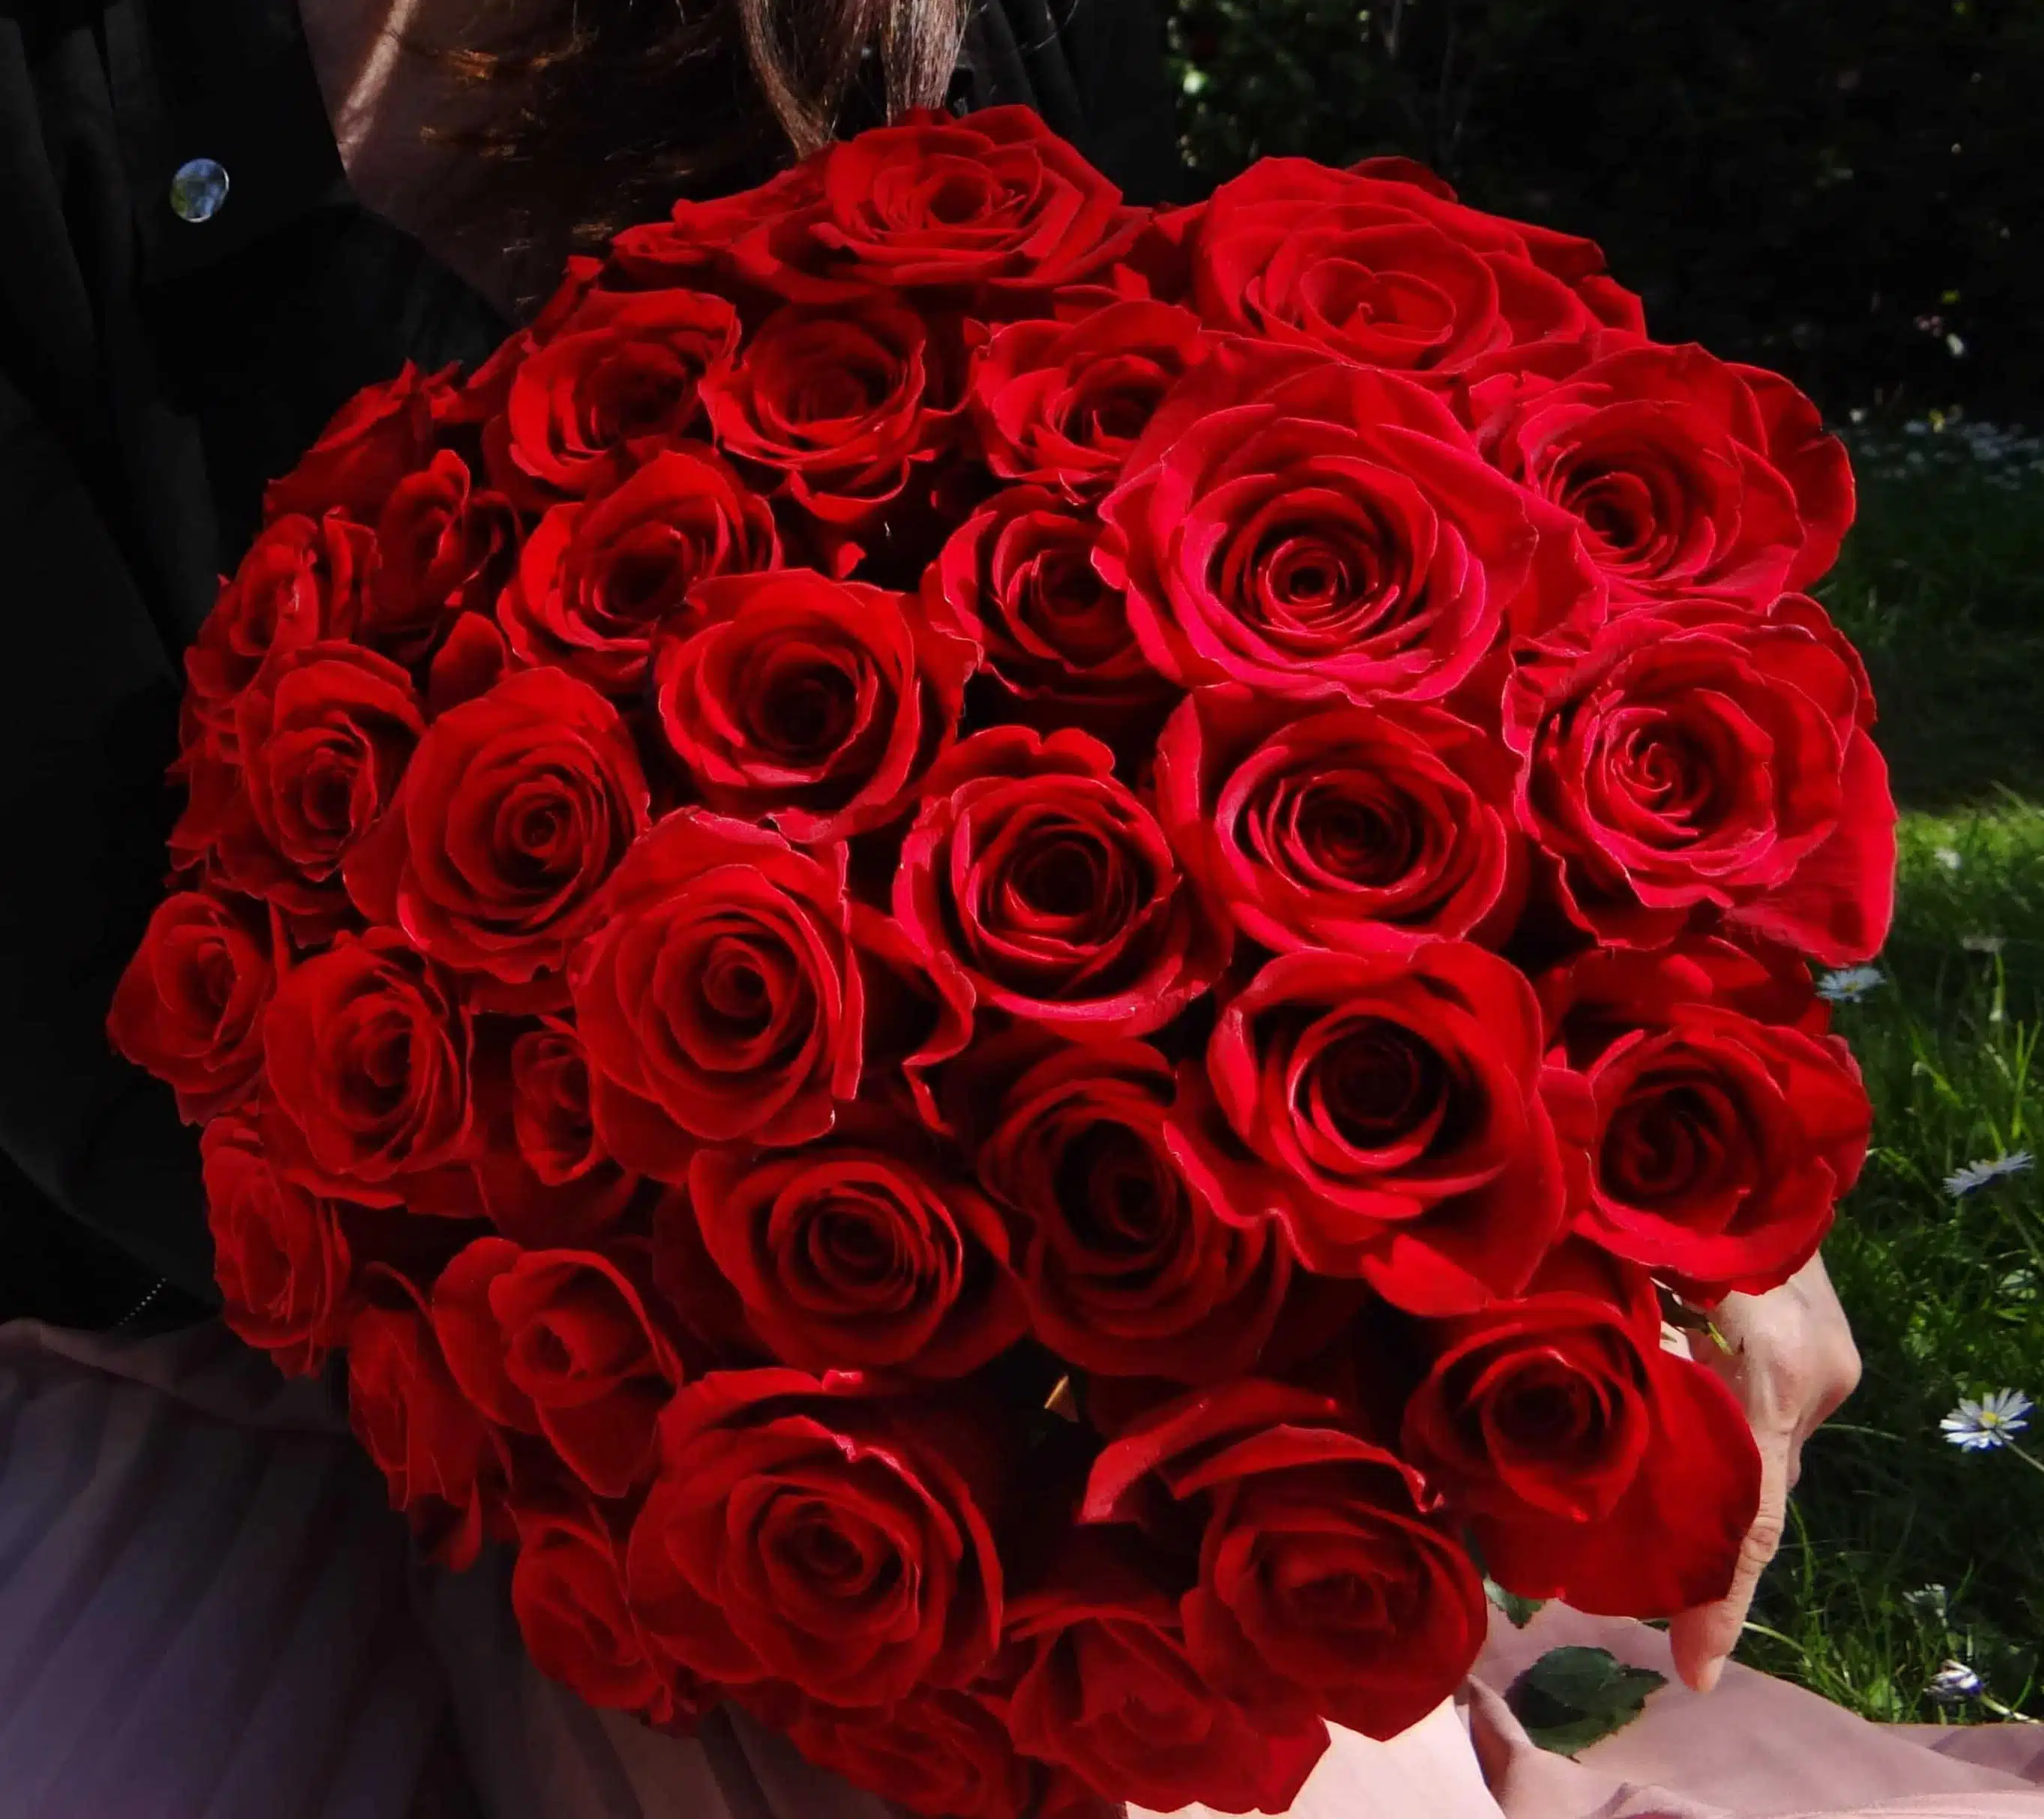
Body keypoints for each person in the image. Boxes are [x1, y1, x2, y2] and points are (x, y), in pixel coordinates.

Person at [0, 4, 2037, 1815]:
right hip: (212, 1341)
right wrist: (689, 1318)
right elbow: (61, 1002)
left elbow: (1175, 520)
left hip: (1006, 1374)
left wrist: (1621, 1170)